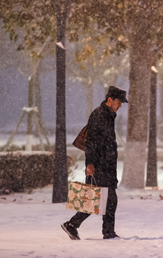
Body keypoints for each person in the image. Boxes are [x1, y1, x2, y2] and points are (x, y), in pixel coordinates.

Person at [61, 86, 128, 240]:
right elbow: (91, 142)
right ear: (110, 100)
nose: (120, 106)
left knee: (101, 198)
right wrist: (90, 164)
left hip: (107, 164)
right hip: (99, 165)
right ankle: (101, 231)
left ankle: (77, 226)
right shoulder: (99, 115)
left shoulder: (109, 115)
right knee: (100, 198)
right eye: (119, 102)